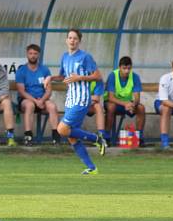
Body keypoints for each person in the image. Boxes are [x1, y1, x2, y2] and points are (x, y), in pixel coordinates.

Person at [44, 28, 107, 174]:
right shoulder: (65, 57)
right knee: (71, 137)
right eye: (70, 38)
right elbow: (62, 77)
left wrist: (80, 78)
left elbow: (98, 75)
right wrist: (50, 78)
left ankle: (97, 139)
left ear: (79, 41)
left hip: (81, 99)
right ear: (66, 40)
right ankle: (92, 168)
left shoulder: (85, 57)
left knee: (61, 129)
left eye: (75, 38)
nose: (72, 40)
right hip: (70, 99)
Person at [15, 44, 59, 146]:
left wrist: (42, 100)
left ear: (38, 55)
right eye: (30, 53)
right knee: (30, 105)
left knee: (52, 106)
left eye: (35, 53)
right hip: (27, 100)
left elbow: (48, 90)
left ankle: (56, 136)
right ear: (27, 54)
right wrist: (36, 101)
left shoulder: (44, 70)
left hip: (42, 99)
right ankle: (28, 136)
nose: (33, 56)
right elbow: (21, 91)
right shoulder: (21, 71)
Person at [105, 56, 146, 145]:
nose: (127, 71)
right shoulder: (113, 75)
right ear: (119, 68)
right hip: (115, 103)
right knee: (111, 107)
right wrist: (125, 104)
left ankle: (139, 137)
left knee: (141, 108)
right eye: (124, 68)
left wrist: (133, 105)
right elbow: (110, 97)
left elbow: (137, 98)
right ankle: (106, 137)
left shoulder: (135, 77)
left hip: (128, 104)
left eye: (129, 68)